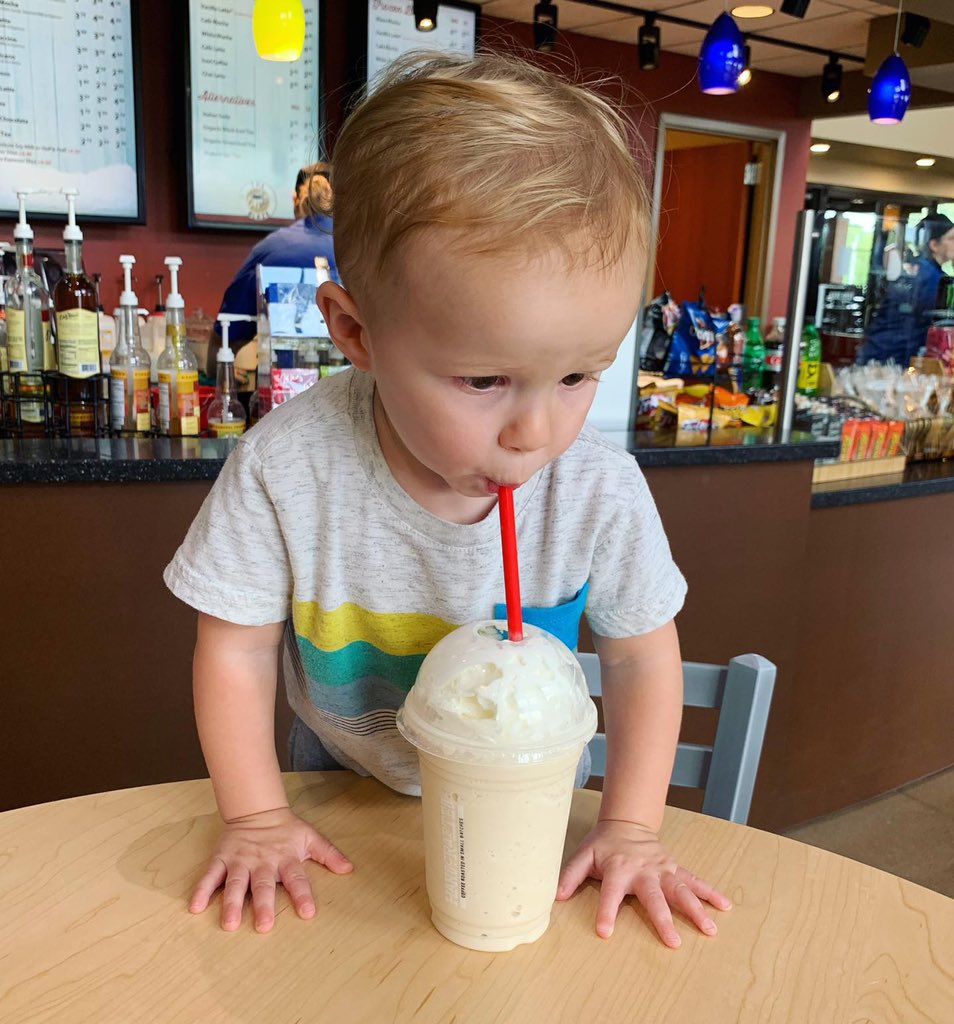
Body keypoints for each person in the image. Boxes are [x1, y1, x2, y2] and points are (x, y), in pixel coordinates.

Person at [164, 52, 730, 948]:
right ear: (357, 332)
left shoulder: (596, 487)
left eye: (581, 374)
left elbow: (639, 661)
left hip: (532, 802)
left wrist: (629, 828)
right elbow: (234, 652)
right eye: (484, 378)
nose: (535, 434)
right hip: (338, 786)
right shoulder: (288, 468)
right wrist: (256, 818)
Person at [213, 162, 336, 352]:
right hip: (361, 378)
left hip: (284, 378)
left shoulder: (270, 249)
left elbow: (226, 335)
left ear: (296, 199)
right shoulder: (362, 249)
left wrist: (218, 371)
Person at [857, 213, 954, 366]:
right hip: (893, 356)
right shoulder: (931, 277)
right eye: (951, 238)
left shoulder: (917, 269)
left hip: (880, 351)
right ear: (934, 245)